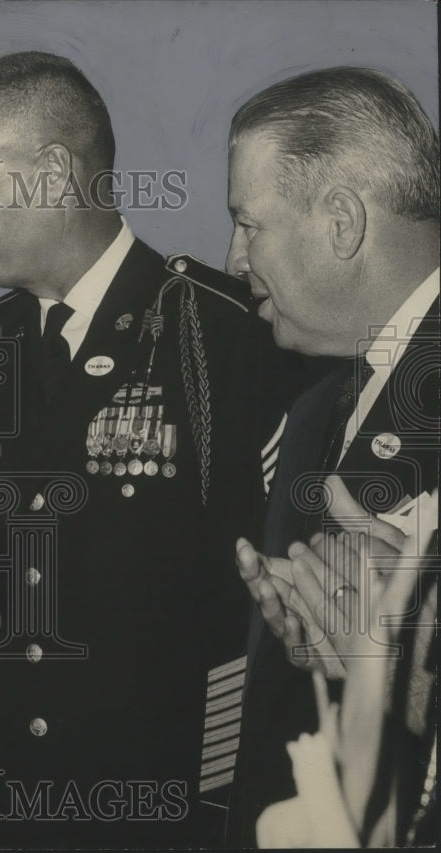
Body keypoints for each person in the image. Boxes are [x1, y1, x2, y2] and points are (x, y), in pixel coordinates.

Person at [0, 51, 296, 849]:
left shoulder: (225, 338)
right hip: (21, 805)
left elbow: (271, 625)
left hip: (176, 811)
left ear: (53, 173)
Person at [224, 66, 440, 847]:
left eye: (249, 224)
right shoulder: (317, 407)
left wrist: (404, 649)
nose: (235, 256)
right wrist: (319, 648)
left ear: (342, 222)